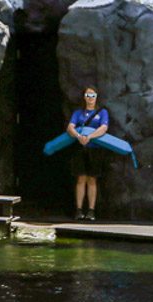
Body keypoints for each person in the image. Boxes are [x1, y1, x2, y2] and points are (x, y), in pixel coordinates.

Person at [67, 85, 109, 221]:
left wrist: (90, 136)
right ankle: (78, 210)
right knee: (81, 179)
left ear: (96, 97)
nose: (90, 98)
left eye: (93, 95)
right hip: (80, 149)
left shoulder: (102, 112)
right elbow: (70, 127)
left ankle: (91, 210)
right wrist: (79, 137)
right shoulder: (78, 113)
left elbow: (104, 128)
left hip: (95, 149)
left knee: (92, 179)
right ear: (84, 97)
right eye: (88, 95)